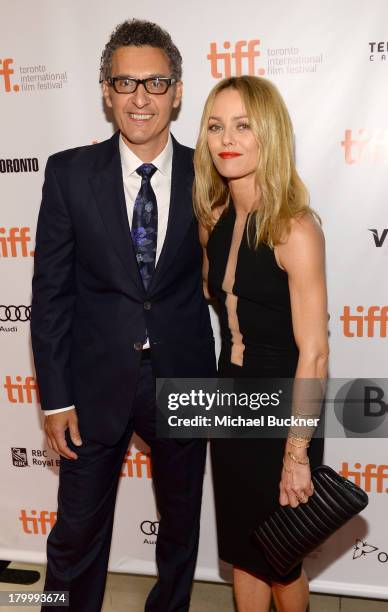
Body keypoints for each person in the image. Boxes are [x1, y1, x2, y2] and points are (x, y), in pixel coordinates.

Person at [31, 19, 216, 612]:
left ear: (178, 91)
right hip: (91, 385)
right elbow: (51, 294)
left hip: (185, 375)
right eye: (126, 82)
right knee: (75, 534)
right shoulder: (67, 174)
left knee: (181, 527)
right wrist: (56, 399)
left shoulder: (211, 173)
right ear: (106, 91)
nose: (141, 98)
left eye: (156, 82)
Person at [193, 76, 328, 612]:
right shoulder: (214, 220)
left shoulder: (294, 230)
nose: (227, 138)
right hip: (231, 403)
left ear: (267, 134)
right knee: (243, 552)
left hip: (283, 410)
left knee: (281, 559)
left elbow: (314, 353)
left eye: (243, 125)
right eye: (215, 125)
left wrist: (297, 454)